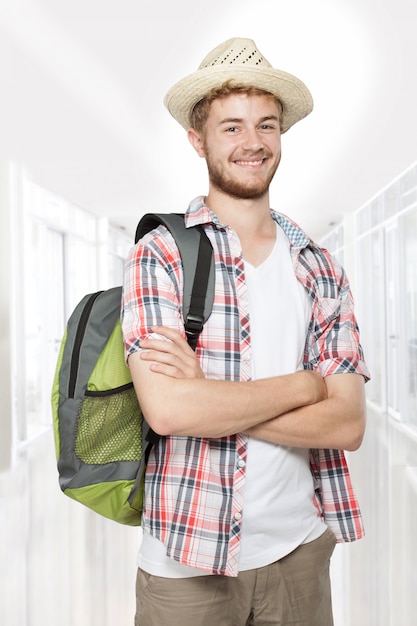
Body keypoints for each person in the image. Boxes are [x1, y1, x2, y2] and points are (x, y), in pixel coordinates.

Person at [122, 37, 370, 626]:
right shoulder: (162, 255)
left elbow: (348, 424)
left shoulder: (319, 266)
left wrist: (213, 395)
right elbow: (170, 412)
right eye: (231, 127)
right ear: (198, 139)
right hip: (186, 564)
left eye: (266, 125)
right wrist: (309, 383)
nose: (252, 142)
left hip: (300, 556)